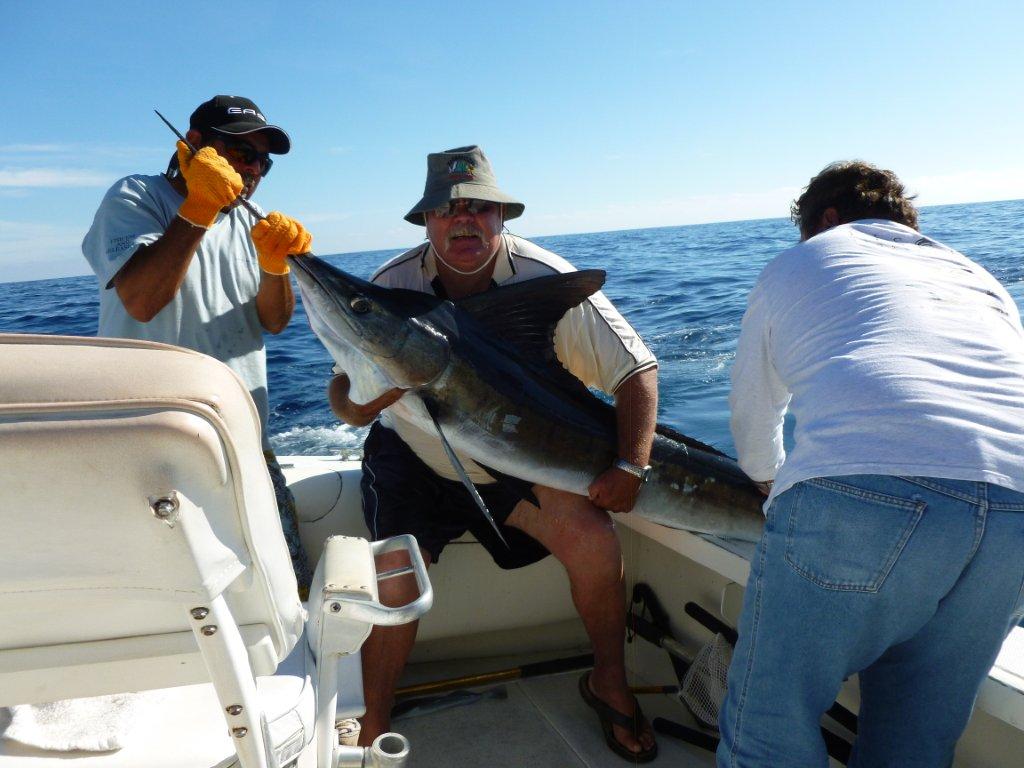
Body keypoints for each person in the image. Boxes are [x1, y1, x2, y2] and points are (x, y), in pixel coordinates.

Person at [328, 146, 660, 761]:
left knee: (594, 539)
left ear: (502, 217)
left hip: (508, 456)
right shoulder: (389, 287)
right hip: (413, 455)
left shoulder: (543, 278)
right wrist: (376, 401)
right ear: (426, 222)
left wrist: (631, 466)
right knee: (396, 580)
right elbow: (345, 401)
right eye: (446, 209)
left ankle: (608, 680)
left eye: (480, 207)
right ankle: (373, 723)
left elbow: (635, 370)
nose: (464, 220)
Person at [722, 160, 1024, 766]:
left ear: (826, 219)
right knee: (916, 739)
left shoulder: (805, 259)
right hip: (1016, 507)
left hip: (869, 488)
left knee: (769, 726)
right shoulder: (975, 274)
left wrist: (767, 479)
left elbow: (754, 410)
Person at [82, 95, 312, 587]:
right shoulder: (135, 197)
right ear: (195, 145)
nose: (252, 168)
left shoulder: (253, 221)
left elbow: (273, 321)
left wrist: (276, 267)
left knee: (284, 583)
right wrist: (198, 208)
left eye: (261, 161)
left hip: (244, 438)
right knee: (169, 594)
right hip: (146, 445)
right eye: (239, 151)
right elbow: (142, 300)